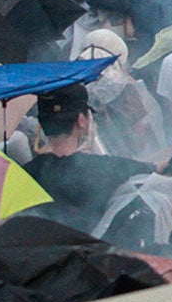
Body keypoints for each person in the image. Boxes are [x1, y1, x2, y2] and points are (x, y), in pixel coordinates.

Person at [22, 87, 152, 232]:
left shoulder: (22, 177)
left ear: (41, 123)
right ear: (82, 120)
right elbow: (160, 170)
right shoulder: (105, 168)